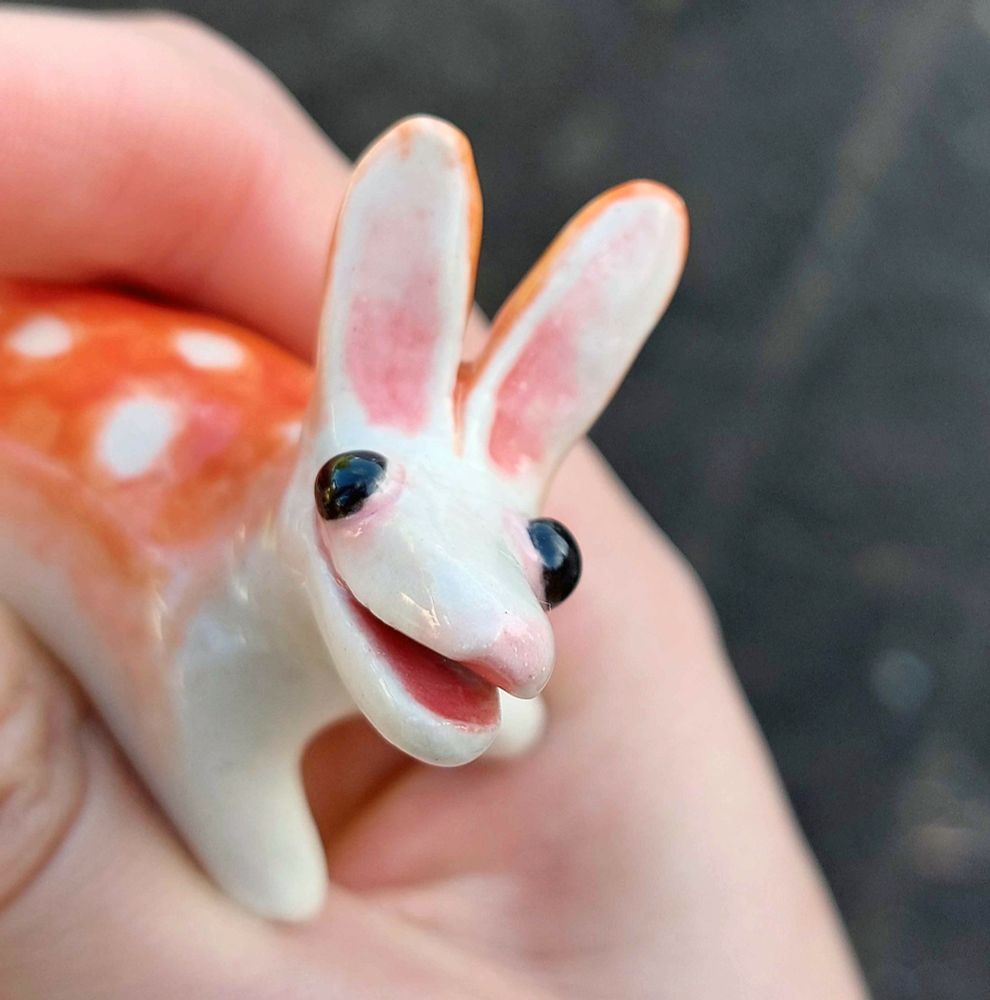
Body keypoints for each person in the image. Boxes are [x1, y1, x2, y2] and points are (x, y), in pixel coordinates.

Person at [0, 9, 868, 998]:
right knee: (265, 852)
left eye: (547, 555)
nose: (493, 605)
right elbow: (260, 863)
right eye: (351, 492)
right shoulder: (207, 631)